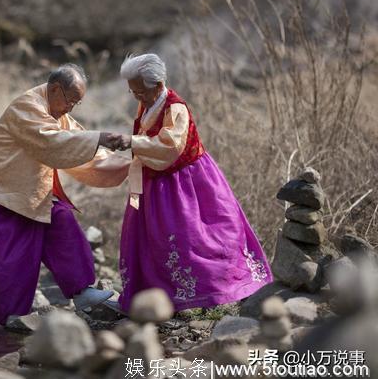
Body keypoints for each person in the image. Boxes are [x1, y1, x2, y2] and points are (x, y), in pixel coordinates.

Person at [110, 53, 273, 313]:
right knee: (153, 240)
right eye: (133, 92)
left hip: (186, 182)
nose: (137, 98)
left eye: (140, 92)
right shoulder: (148, 103)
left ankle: (218, 290)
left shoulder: (176, 108)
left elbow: (171, 145)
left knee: (194, 237)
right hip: (154, 181)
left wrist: (133, 142)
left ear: (159, 84)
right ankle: (161, 297)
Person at [0, 63, 130, 325]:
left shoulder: (56, 112)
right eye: (71, 101)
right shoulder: (28, 107)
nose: (71, 108)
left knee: (62, 220)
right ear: (55, 89)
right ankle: (4, 325)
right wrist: (98, 137)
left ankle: (82, 291)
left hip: (31, 198)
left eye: (76, 104)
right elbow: (53, 144)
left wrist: (127, 164)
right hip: (0, 199)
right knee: (15, 266)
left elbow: (79, 145)